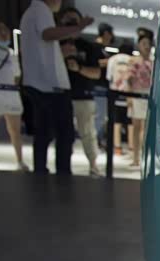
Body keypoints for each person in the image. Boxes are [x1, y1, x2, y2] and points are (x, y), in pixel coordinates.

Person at [19, 0, 93, 175]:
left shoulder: (31, 13)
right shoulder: (41, 10)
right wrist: (77, 27)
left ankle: (42, 172)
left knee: (44, 133)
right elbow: (47, 34)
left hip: (40, 84)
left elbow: (44, 41)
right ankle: (62, 174)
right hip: (50, 86)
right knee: (63, 133)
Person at [59, 7, 103, 176]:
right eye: (67, 20)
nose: (71, 24)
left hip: (84, 96)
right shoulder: (56, 45)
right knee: (63, 133)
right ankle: (63, 166)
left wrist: (79, 68)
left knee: (88, 132)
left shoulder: (88, 47)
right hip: (61, 95)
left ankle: (93, 164)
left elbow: (97, 73)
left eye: (74, 20)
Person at [0, 20, 28, 171]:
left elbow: (17, 76)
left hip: (11, 94)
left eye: (6, 30)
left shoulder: (12, 54)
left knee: (15, 130)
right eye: (0, 30)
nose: (4, 33)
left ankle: (20, 161)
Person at [126, 33, 153, 167]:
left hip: (148, 95)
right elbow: (129, 80)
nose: (146, 47)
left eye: (148, 44)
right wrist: (129, 97)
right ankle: (136, 157)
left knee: (146, 128)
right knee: (136, 127)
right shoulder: (134, 62)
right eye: (144, 44)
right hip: (137, 94)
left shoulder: (153, 62)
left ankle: (144, 157)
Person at [106, 42, 134, 156]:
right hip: (130, 95)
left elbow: (109, 77)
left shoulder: (112, 60)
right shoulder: (132, 60)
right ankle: (131, 147)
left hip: (115, 93)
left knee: (116, 122)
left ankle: (117, 147)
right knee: (131, 123)